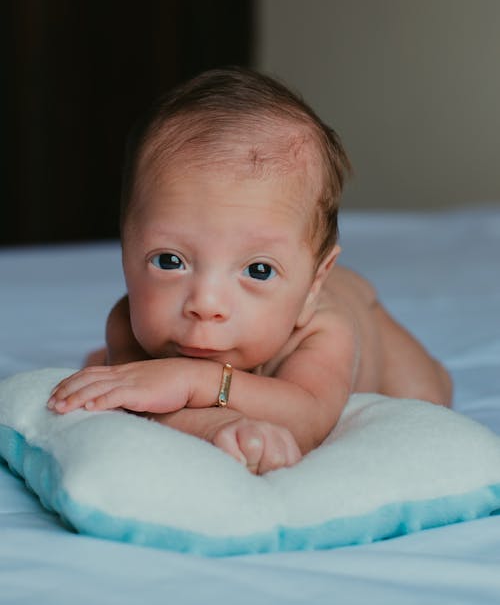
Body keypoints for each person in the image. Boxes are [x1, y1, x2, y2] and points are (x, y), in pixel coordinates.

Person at [47, 67, 452, 474]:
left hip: (363, 313)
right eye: (170, 261)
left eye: (258, 270)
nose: (205, 303)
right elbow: (145, 410)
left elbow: (308, 419)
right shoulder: (127, 321)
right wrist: (220, 424)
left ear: (313, 285)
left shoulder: (322, 332)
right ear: (126, 254)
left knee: (429, 396)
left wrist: (193, 382)